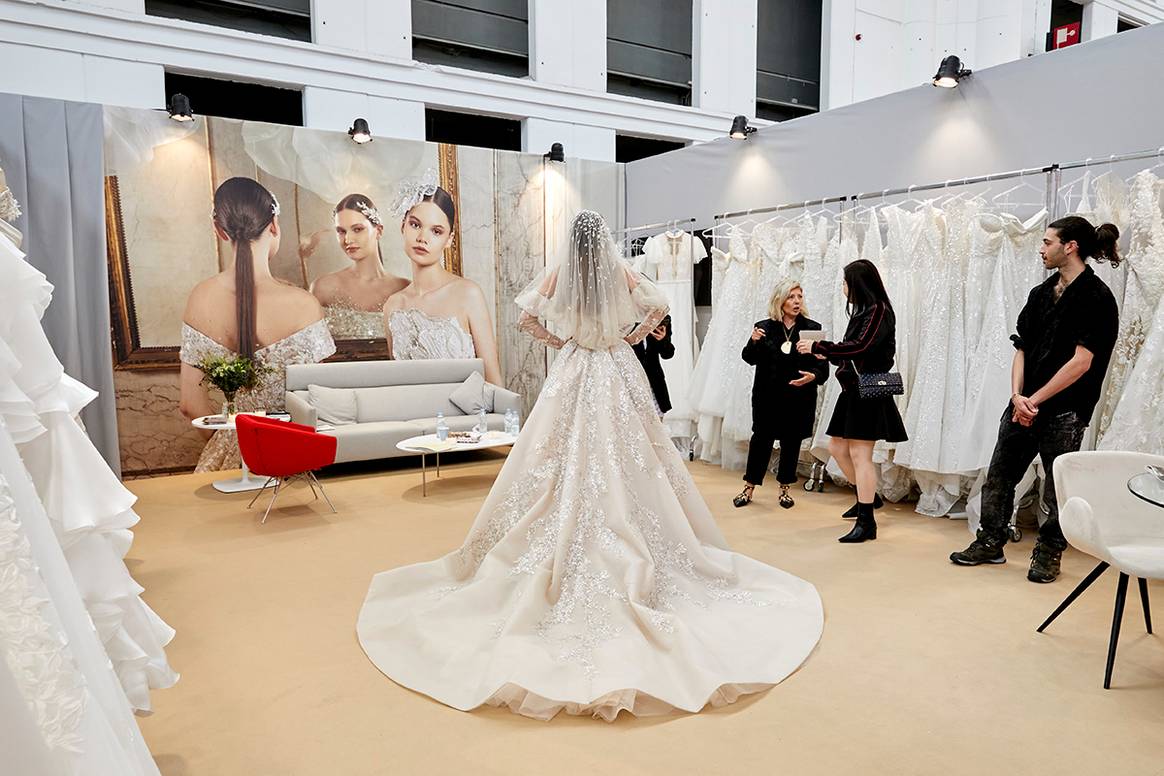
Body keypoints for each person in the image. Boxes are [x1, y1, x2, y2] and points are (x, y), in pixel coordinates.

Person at [356, 210, 823, 721]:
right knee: (637, 456)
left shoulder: (561, 274)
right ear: (603, 244)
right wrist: (628, 336)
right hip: (614, 365)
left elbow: (525, 317)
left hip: (578, 364)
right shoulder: (621, 271)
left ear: (571, 245)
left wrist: (563, 342)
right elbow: (660, 303)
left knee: (556, 453)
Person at [950, 216, 1120, 583]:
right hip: (1024, 403)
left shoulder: (1097, 297)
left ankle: (1048, 553)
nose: (1041, 249)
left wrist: (1035, 400)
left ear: (1069, 246)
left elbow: (1082, 362)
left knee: (1057, 486)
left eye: (1047, 242)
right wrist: (1017, 396)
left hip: (1066, 409)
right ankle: (990, 540)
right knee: (999, 475)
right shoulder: (1040, 294)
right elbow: (1022, 347)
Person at [179, 177, 336, 471]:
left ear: (220, 231)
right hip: (292, 455)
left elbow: (190, 405)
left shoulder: (201, 298)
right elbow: (322, 405)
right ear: (274, 225)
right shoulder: (304, 305)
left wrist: (230, 447)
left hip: (231, 459)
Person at [798, 259, 906, 543]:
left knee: (860, 455)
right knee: (836, 446)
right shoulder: (866, 312)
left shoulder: (878, 312)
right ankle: (867, 497)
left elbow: (862, 346)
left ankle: (867, 520)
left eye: (845, 282)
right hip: (853, 390)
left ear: (857, 284)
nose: (843, 288)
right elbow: (854, 349)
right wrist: (828, 353)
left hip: (866, 392)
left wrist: (820, 347)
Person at [381, 173, 502, 385]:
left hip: (464, 417)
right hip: (412, 415)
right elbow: (397, 387)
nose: (422, 238)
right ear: (403, 226)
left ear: (449, 240)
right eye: (415, 225)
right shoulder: (393, 306)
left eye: (436, 231)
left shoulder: (467, 294)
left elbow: (493, 380)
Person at [736, 280, 828, 510]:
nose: (797, 301)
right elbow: (749, 358)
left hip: (798, 396)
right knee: (761, 441)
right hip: (767, 396)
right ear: (780, 300)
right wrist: (753, 341)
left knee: (791, 442)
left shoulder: (812, 329)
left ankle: (785, 489)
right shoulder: (764, 327)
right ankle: (749, 486)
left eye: (799, 296)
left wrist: (813, 377)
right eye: (791, 297)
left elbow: (823, 368)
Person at [303, 194, 409, 339]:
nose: (348, 239)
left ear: (378, 230)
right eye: (341, 231)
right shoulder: (322, 288)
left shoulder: (404, 288)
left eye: (357, 229)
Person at [631, 313, 674, 416]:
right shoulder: (623, 318)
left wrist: (663, 340)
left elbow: (668, 354)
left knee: (657, 425)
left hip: (654, 383)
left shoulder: (661, 317)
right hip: (630, 381)